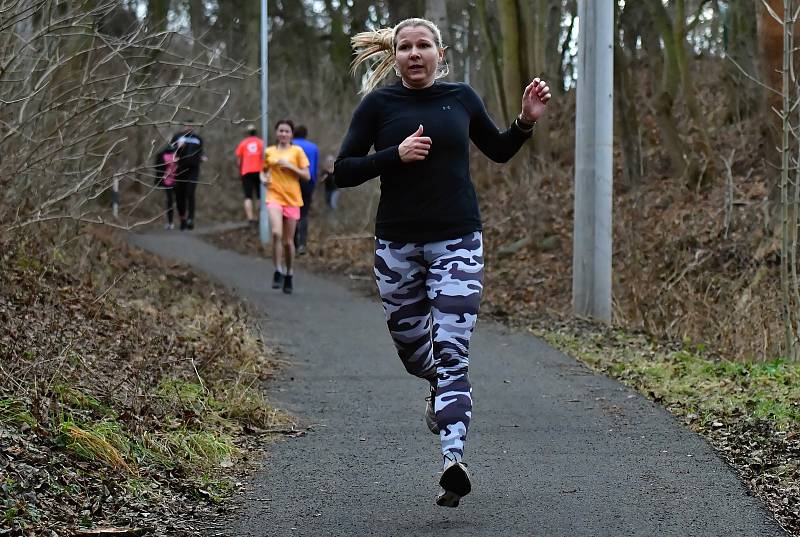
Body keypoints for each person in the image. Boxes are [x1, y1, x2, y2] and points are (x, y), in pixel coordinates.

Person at [334, 17, 551, 508]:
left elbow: (497, 151)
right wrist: (394, 155)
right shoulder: (378, 106)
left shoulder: (462, 98)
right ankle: (437, 390)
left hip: (458, 241)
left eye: (423, 45)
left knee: (452, 351)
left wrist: (525, 122)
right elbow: (342, 172)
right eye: (405, 46)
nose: (414, 53)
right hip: (398, 248)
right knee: (416, 354)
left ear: (439, 51)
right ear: (394, 55)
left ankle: (453, 460)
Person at [262, 119, 311, 294]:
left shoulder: (297, 151)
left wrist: (291, 166)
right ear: (276, 133)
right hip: (274, 196)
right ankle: (277, 270)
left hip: (292, 199)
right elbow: (264, 171)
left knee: (288, 242)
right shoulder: (269, 151)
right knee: (276, 233)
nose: (283, 134)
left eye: (287, 131)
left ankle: (289, 273)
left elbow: (306, 175)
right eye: (281, 131)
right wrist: (264, 179)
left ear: (291, 134)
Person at [170, 121, 204, 230]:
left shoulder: (198, 139)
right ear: (183, 126)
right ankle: (182, 218)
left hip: (193, 170)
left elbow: (201, 152)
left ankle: (190, 218)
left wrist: (203, 157)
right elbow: (171, 151)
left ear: (193, 126)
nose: (189, 127)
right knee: (180, 196)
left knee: (190, 193)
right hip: (179, 170)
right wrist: (178, 148)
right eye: (186, 125)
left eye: (191, 125)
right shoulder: (177, 137)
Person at [291, 125, 319, 254]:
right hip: (308, 182)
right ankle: (302, 244)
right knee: (304, 214)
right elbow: (314, 168)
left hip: (292, 182)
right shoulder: (313, 147)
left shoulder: (290, 145)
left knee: (292, 212)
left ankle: (293, 243)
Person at [235, 125, 265, 228]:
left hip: (246, 171)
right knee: (260, 196)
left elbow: (239, 161)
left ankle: (250, 218)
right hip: (259, 171)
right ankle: (258, 217)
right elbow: (265, 157)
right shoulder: (261, 143)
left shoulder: (243, 143)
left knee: (248, 196)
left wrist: (240, 171)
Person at [153, 144, 178, 229]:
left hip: (176, 181)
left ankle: (172, 222)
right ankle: (170, 222)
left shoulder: (177, 156)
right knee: (170, 201)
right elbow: (159, 169)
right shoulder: (163, 156)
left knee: (171, 201)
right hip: (169, 182)